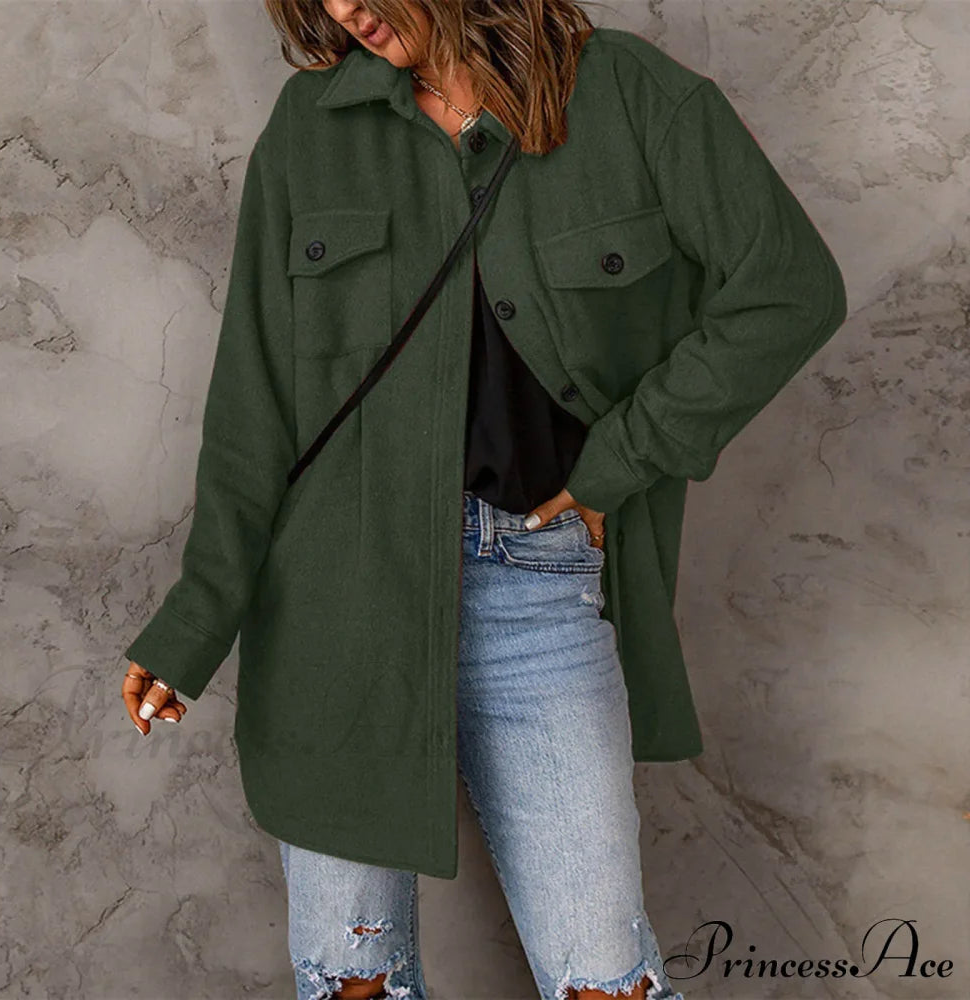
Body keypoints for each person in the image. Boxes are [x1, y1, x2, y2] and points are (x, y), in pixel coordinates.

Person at [120, 1, 848, 998]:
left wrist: (618, 463)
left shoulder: (629, 95)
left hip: (539, 589)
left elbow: (788, 289)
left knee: (604, 979)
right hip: (335, 603)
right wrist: (194, 621)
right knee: (353, 982)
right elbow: (255, 403)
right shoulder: (309, 129)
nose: (345, 9)